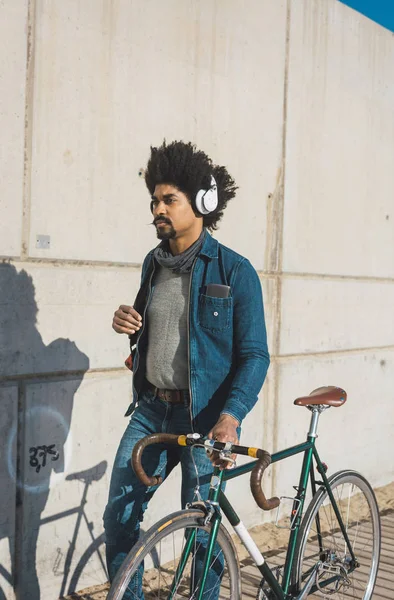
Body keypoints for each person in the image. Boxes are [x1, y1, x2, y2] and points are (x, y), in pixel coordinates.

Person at [103, 140, 270, 598]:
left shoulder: (236, 271)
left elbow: (256, 355)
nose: (157, 208)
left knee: (203, 531)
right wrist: (130, 331)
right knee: (118, 520)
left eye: (168, 199)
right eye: (154, 200)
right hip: (151, 413)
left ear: (201, 203)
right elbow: (160, 336)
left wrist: (231, 415)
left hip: (207, 417)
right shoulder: (153, 265)